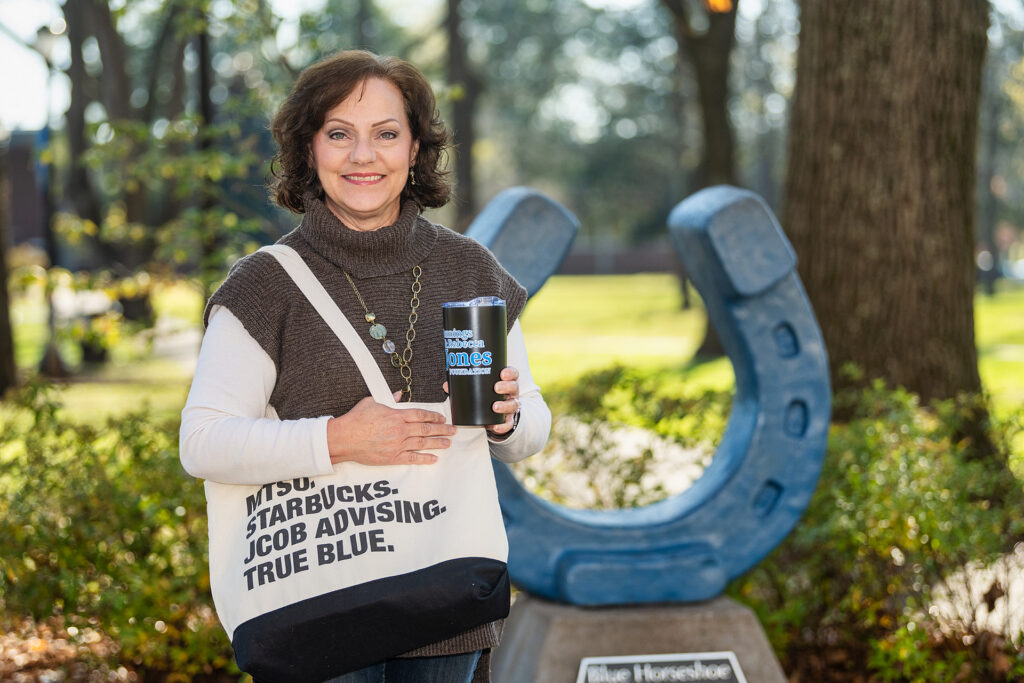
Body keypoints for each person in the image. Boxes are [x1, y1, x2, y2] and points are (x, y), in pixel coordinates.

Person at [179, 50, 550, 682]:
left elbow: (531, 430)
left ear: (414, 151)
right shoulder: (264, 285)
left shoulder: (469, 269)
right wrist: (339, 439)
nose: (363, 156)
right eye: (338, 135)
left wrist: (508, 421)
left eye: (386, 134)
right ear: (308, 150)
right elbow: (202, 443)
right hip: (320, 607)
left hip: (447, 596)